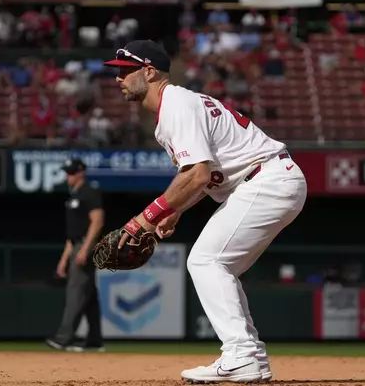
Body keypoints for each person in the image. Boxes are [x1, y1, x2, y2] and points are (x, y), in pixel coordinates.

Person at [103, 40, 307, 383]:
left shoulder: (176, 105)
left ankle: (241, 355)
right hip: (269, 181)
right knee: (219, 266)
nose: (118, 78)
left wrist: (144, 218)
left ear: (149, 72)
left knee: (206, 261)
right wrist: (177, 210)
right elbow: (206, 173)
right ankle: (249, 357)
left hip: (266, 180)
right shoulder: (177, 106)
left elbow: (197, 174)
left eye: (125, 70)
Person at [46, 158, 106, 352]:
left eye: (71, 172)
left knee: (76, 291)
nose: (68, 176)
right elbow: (71, 236)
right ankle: (95, 340)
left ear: (81, 172)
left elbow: (97, 221)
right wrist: (63, 260)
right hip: (75, 244)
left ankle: (64, 337)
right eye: (67, 172)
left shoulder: (89, 192)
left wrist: (85, 249)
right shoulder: (74, 195)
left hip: (85, 245)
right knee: (89, 294)